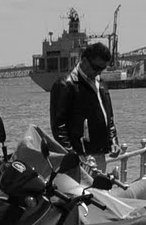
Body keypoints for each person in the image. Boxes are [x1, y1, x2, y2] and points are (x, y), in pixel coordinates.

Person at [49, 42, 121, 177]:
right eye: (96, 67)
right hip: (80, 156)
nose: (98, 72)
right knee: (82, 193)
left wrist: (114, 141)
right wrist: (71, 155)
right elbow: (58, 126)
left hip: (99, 154)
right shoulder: (65, 85)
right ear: (84, 60)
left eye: (102, 68)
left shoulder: (101, 84)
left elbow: (109, 118)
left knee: (97, 192)